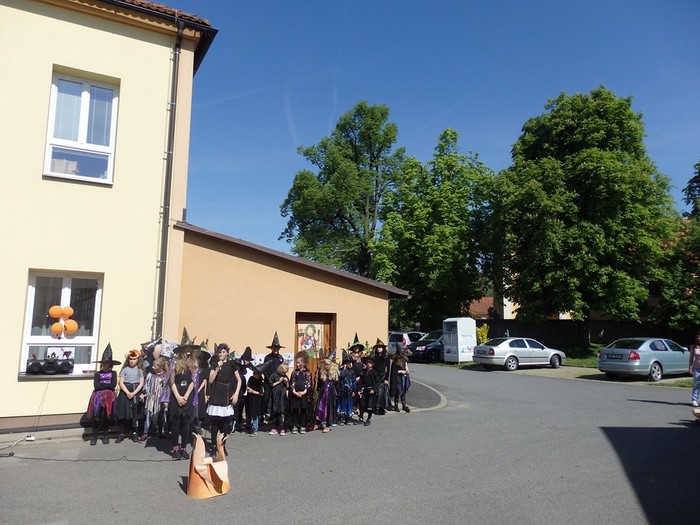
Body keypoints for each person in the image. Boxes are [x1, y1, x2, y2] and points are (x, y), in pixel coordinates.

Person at [207, 343, 241, 454]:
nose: (221, 354)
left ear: (227, 353)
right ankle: (213, 446)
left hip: (226, 394)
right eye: (219, 352)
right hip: (216, 393)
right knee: (215, 423)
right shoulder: (214, 363)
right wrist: (217, 368)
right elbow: (210, 380)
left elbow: (239, 380)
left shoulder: (232, 364)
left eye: (223, 352)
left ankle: (222, 445)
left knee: (225, 424)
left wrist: (236, 394)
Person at [87, 344, 120, 445]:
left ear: (110, 364)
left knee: (106, 416)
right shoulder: (98, 374)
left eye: (107, 362)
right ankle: (94, 436)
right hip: (98, 397)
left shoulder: (113, 373)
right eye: (103, 362)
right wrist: (107, 386)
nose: (105, 364)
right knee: (97, 416)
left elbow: (113, 385)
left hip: (109, 398)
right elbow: (96, 387)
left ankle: (106, 435)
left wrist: (102, 384)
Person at [169, 345, 196, 460]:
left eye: (190, 349)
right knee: (176, 423)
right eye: (186, 348)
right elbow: (171, 382)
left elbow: (193, 381)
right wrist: (178, 397)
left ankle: (183, 448)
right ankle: (175, 448)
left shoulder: (193, 363)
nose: (188, 351)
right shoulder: (174, 363)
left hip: (187, 395)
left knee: (186, 423)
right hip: (176, 394)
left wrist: (185, 396)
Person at [115, 349, 145, 443]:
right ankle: (121, 433)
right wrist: (128, 392)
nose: (132, 361)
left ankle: (134, 433)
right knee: (122, 413)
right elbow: (121, 382)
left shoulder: (140, 370)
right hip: (125, 392)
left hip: (135, 392)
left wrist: (134, 393)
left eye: (134, 359)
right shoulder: (124, 370)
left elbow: (141, 383)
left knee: (134, 414)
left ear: (138, 360)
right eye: (130, 359)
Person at [139, 356, 169, 441]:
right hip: (151, 398)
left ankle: (160, 432)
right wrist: (144, 394)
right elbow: (146, 386)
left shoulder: (165, 376)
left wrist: (165, 400)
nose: (152, 367)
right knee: (149, 415)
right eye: (153, 365)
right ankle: (145, 432)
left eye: (155, 366)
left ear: (161, 367)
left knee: (160, 415)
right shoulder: (150, 375)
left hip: (160, 399)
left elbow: (167, 389)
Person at [263, 332, 286, 418]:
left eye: (277, 348)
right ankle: (265, 416)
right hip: (268, 382)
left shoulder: (280, 358)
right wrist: (270, 380)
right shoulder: (267, 358)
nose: (276, 349)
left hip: (278, 382)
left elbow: (283, 369)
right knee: (267, 399)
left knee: (277, 399)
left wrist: (281, 379)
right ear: (272, 348)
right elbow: (265, 369)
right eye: (274, 348)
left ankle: (277, 417)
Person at [315, 352, 339, 432]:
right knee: (320, 406)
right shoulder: (322, 372)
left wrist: (336, 394)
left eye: (327, 364)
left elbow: (337, 385)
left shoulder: (335, 374)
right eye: (325, 364)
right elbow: (320, 383)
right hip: (323, 392)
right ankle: (318, 422)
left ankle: (328, 425)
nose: (326, 366)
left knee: (329, 408)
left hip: (331, 393)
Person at [289, 351, 311, 434]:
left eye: (299, 363)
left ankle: (303, 425)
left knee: (303, 410)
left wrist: (304, 392)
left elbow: (308, 383)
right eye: (297, 363)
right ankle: (294, 425)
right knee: (295, 410)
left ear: (304, 363)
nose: (297, 364)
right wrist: (294, 392)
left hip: (303, 394)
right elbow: (292, 383)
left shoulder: (307, 372)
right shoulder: (294, 372)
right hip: (295, 394)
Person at [357, 354, 380, 426]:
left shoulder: (374, 373)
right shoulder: (363, 372)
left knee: (370, 406)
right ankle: (361, 418)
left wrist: (374, 389)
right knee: (362, 404)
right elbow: (360, 382)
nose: (368, 364)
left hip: (371, 391)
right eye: (367, 362)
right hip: (364, 390)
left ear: (373, 364)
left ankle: (369, 419)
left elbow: (378, 382)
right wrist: (359, 390)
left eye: (370, 363)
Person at [234, 346, 254, 433]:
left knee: (249, 410)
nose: (245, 361)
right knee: (239, 409)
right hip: (241, 392)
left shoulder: (253, 369)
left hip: (249, 392)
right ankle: (238, 425)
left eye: (247, 359)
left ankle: (248, 425)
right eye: (244, 359)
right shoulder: (240, 368)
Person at [268, 362, 289, 435]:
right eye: (283, 372)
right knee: (274, 412)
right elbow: (270, 385)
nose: (284, 373)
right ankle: (275, 427)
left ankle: (281, 427)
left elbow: (287, 387)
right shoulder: (274, 375)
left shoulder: (285, 376)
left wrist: (286, 382)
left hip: (282, 396)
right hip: (274, 396)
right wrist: (279, 381)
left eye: (285, 372)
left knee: (280, 412)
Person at [245, 363, 266, 436]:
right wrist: (248, 388)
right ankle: (248, 427)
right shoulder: (251, 378)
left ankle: (255, 429)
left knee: (255, 414)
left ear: (259, 374)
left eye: (255, 373)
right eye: (253, 372)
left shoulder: (261, 382)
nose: (254, 374)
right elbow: (247, 385)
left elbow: (262, 393)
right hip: (249, 398)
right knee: (248, 413)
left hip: (257, 400)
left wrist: (252, 391)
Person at [337, 350, 356, 425]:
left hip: (349, 391)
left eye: (348, 363)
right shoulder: (341, 371)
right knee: (341, 404)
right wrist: (344, 369)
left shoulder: (352, 371)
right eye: (346, 363)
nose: (347, 364)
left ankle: (347, 419)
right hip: (342, 391)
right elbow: (341, 376)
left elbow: (354, 381)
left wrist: (354, 390)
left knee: (348, 405)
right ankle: (340, 419)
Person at [372, 339, 390, 415]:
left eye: (380, 347)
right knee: (376, 392)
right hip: (375, 377)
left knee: (381, 393)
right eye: (377, 347)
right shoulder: (374, 357)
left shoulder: (386, 358)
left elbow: (388, 369)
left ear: (383, 348)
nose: (378, 349)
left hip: (382, 377)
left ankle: (381, 408)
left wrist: (386, 379)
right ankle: (375, 407)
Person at [390, 348, 411, 413]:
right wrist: (401, 371)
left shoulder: (404, 359)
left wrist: (407, 370)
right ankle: (396, 406)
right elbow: (394, 372)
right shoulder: (395, 361)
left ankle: (404, 405)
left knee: (403, 391)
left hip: (404, 377)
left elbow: (406, 366)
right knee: (398, 391)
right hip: (398, 378)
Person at [689, 331, 700, 407]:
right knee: (696, 384)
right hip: (696, 368)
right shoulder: (693, 347)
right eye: (698, 337)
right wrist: (690, 367)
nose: (699, 338)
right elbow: (691, 357)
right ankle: (694, 400)